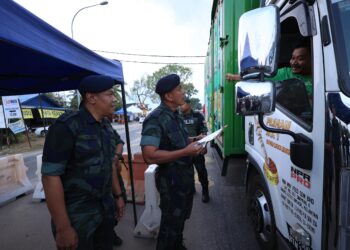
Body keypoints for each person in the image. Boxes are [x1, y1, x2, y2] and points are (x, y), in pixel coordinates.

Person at [41, 75, 125, 250]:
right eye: (110, 94)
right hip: (77, 216)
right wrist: (63, 227)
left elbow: (110, 164)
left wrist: (117, 196)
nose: (114, 98)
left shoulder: (105, 126)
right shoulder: (66, 126)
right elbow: (50, 177)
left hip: (104, 211)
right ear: (91, 97)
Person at [140, 74, 206, 250]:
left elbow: (177, 142)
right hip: (171, 183)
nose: (183, 92)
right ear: (168, 96)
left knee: (180, 221)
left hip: (183, 180)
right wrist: (186, 151)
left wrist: (195, 141)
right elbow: (149, 155)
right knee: (170, 225)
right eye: (179, 89)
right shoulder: (155, 118)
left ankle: (177, 245)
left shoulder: (175, 115)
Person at [226, 42, 312, 96]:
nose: (294, 62)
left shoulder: (322, 77)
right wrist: (234, 77)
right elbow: (260, 75)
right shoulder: (285, 73)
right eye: (293, 58)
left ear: (312, 59)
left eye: (300, 59)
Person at [180, 97, 210, 203]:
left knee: (201, 171)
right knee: (187, 172)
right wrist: (195, 138)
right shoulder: (178, 117)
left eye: (182, 104)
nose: (180, 106)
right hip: (184, 151)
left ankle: (205, 192)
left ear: (188, 104)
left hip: (197, 149)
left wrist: (204, 146)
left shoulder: (198, 116)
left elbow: (204, 133)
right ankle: (191, 188)